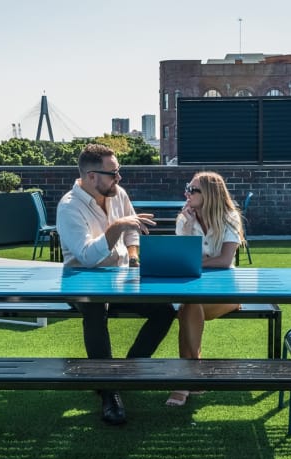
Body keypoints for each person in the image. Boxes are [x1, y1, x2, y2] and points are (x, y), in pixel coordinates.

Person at [56, 143, 175, 425]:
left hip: (119, 278)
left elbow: (133, 231)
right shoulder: (69, 207)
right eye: (113, 173)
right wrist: (116, 227)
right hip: (80, 280)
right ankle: (109, 391)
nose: (119, 178)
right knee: (95, 310)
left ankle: (124, 372)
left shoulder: (117, 193)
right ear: (90, 176)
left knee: (166, 309)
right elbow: (86, 257)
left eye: (118, 171)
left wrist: (133, 255)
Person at [166, 171, 244, 406]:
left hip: (226, 291)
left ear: (209, 194)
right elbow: (182, 259)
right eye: (187, 188)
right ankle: (193, 375)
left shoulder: (230, 217)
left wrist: (195, 262)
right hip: (193, 290)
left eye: (193, 190)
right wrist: (189, 228)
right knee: (190, 304)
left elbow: (224, 260)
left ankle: (183, 382)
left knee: (188, 306)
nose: (187, 193)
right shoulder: (184, 219)